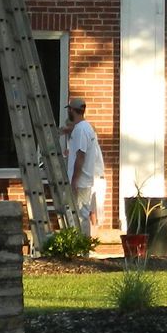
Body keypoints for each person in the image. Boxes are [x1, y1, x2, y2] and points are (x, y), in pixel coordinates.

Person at [61, 96, 104, 240]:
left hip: (80, 181)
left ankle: (82, 244)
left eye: (69, 109)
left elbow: (80, 156)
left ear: (72, 110)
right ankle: (81, 244)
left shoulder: (80, 130)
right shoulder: (86, 127)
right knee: (80, 213)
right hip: (84, 180)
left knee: (80, 215)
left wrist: (74, 180)